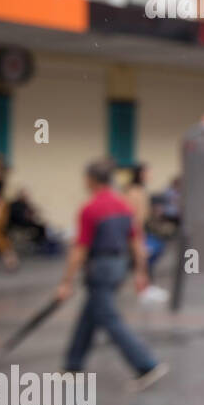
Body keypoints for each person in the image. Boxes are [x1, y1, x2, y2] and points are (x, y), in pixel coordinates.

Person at [56, 160, 168, 389]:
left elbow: (80, 248)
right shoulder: (124, 206)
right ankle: (72, 364)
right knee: (90, 314)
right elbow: (136, 241)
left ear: (92, 180)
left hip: (100, 267)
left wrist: (66, 281)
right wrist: (141, 272)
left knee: (109, 318)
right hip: (119, 265)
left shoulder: (91, 209)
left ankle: (146, 364)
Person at [124, 164, 169, 301]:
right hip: (135, 231)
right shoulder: (133, 191)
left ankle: (145, 286)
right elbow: (133, 215)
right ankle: (143, 289)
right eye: (147, 172)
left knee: (146, 257)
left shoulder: (141, 190)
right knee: (141, 259)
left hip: (142, 230)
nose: (150, 176)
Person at [0, 178, 19, 271]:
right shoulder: (0, 201)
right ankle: (11, 263)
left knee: (3, 245)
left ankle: (12, 263)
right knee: (3, 246)